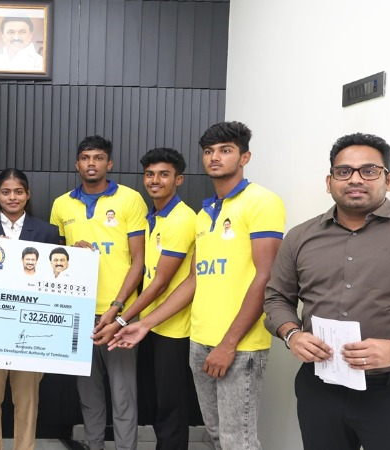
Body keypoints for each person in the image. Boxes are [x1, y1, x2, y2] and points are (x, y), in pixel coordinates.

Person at [110, 122, 285, 450]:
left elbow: (267, 278)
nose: (215, 157)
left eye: (225, 150)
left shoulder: (261, 201)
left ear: (245, 157)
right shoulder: (205, 215)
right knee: (217, 435)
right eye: (208, 151)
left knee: (237, 442)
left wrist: (229, 344)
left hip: (239, 344)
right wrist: (144, 324)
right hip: (200, 340)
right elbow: (194, 280)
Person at [263, 133, 390, 450]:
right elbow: (277, 298)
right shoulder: (300, 236)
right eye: (344, 171)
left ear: (389, 179)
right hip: (321, 388)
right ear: (329, 181)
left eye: (369, 170)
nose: (355, 179)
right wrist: (292, 334)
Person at [95, 147, 196, 450]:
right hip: (151, 324)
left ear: (179, 179)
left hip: (173, 328)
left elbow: (161, 283)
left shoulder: (181, 219)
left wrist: (121, 319)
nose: (155, 180)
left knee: (171, 407)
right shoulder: (153, 216)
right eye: (150, 174)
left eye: (164, 174)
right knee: (157, 403)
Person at [50, 135, 147, 450]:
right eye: (86, 158)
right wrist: (72, 253)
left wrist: (118, 307)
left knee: (123, 393)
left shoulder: (130, 199)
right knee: (88, 393)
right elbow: (57, 261)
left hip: (120, 315)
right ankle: (94, 445)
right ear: (77, 164)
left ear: (110, 163)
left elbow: (139, 261)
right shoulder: (62, 204)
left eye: (98, 157)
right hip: (79, 313)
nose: (91, 163)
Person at [0, 168, 59, 450]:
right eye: (6, 192)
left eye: (18, 191)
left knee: (28, 402)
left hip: (30, 331)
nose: (12, 197)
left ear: (28, 194)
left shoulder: (47, 232)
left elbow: (58, 281)